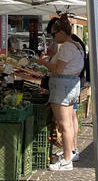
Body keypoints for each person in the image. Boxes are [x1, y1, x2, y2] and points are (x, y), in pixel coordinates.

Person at [36, 16, 84, 171]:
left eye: (54, 34)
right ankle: (68, 153)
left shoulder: (67, 47)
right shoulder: (76, 45)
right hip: (71, 84)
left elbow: (57, 69)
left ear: (62, 32)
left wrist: (42, 62)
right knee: (68, 122)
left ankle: (67, 159)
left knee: (64, 124)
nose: (53, 38)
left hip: (62, 85)